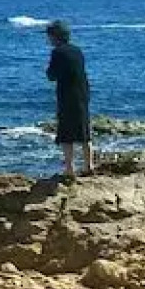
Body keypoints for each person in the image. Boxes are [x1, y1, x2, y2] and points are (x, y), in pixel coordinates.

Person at [45, 20, 93, 180]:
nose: (48, 40)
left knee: (66, 134)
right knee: (84, 132)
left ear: (55, 37)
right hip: (82, 94)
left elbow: (52, 75)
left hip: (67, 96)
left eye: (50, 36)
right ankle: (88, 165)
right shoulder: (77, 51)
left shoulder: (57, 53)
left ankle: (69, 169)